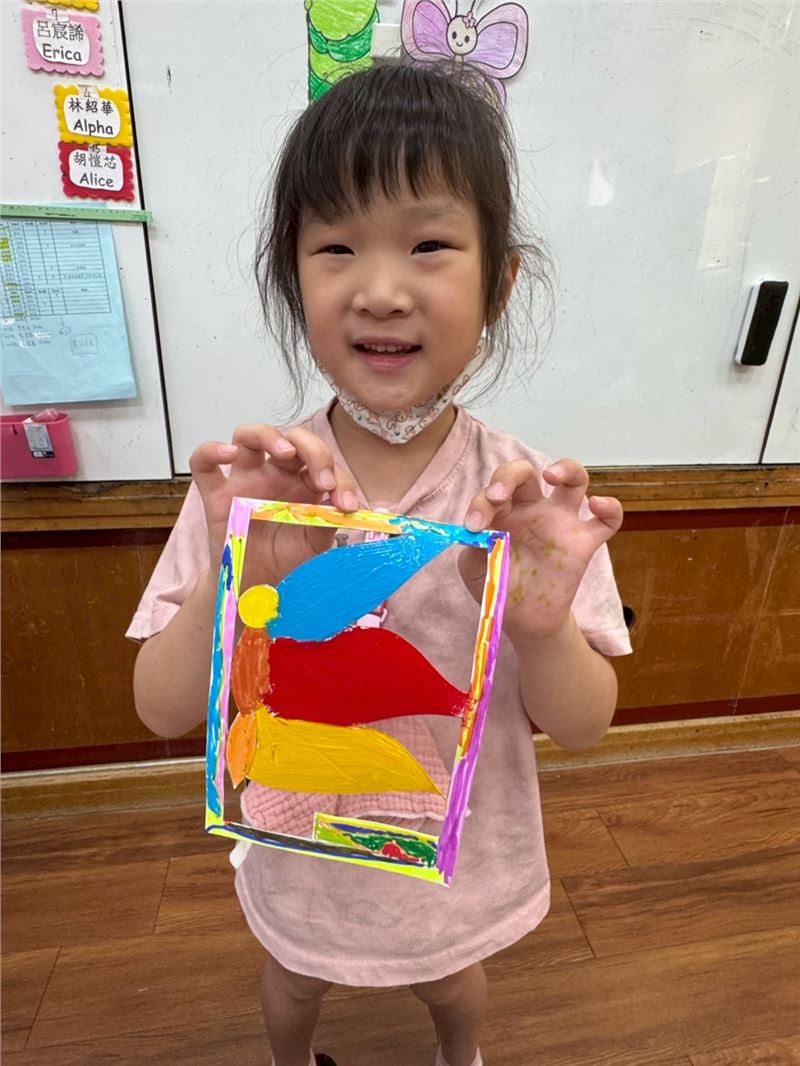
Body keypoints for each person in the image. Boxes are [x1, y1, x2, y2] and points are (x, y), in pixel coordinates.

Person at [129, 59, 632, 1066]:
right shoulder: (249, 487)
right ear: (295, 278)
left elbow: (582, 726)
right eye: (336, 247)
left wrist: (535, 624)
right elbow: (159, 708)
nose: (382, 290)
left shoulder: (529, 503)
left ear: (498, 283)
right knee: (292, 979)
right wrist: (237, 575)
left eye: (429, 244)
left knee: (449, 979)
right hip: (299, 846)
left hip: (454, 855)